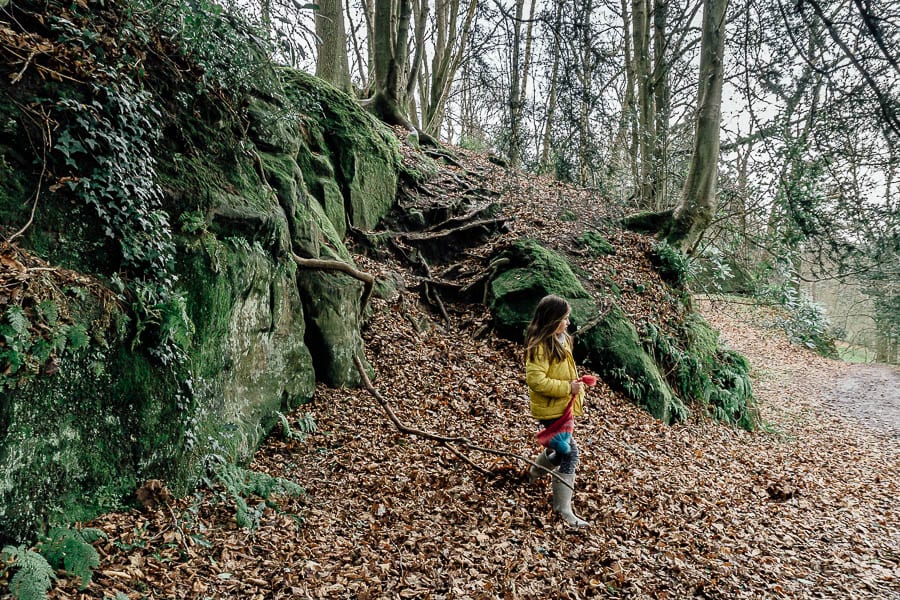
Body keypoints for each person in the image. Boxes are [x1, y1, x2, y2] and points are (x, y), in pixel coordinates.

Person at [524, 294, 589, 528]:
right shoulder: (539, 346)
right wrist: (567, 388)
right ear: (552, 320)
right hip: (550, 410)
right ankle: (563, 510)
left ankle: (532, 474)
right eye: (564, 318)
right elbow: (536, 381)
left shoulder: (563, 339)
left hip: (563, 407)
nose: (568, 322)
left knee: (563, 453)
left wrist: (578, 384)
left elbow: (562, 371)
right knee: (570, 454)